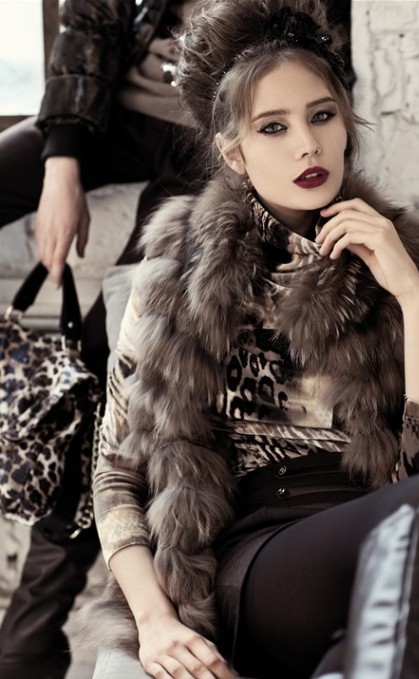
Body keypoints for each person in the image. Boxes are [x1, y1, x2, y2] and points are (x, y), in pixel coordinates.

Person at [84, 0, 419, 677]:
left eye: (322, 116)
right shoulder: (177, 269)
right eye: (273, 127)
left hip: (382, 531)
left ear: (346, 123)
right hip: (255, 553)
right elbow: (115, 471)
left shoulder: (404, 258)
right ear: (234, 152)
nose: (307, 145)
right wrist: (156, 623)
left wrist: (411, 294)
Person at [0, 2, 203, 678]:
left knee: (104, 377)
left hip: (214, 137)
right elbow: (88, 21)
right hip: (112, 109)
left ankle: (25, 643)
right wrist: (62, 163)